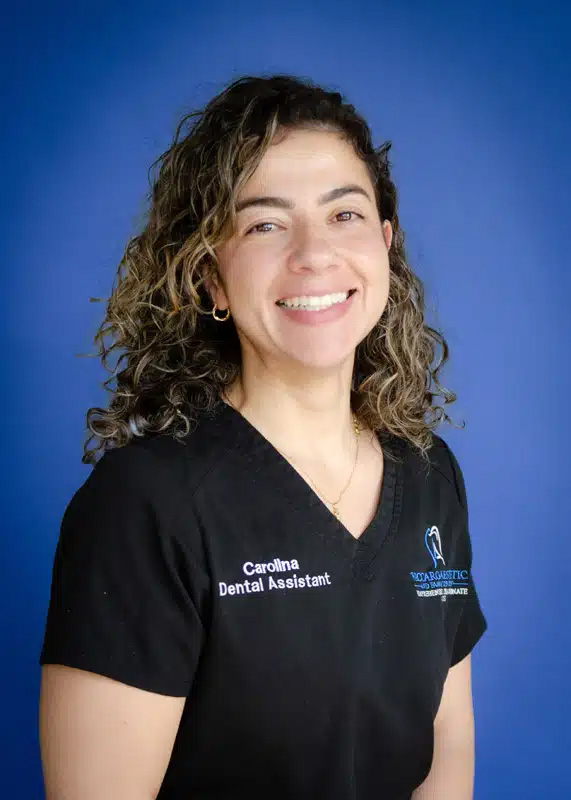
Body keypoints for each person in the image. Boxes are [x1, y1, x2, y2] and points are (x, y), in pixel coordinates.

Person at [38, 73, 488, 800]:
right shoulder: (146, 503)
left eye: (343, 214)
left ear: (385, 243)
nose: (314, 253)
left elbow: (447, 752)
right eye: (264, 225)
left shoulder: (430, 474)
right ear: (211, 277)